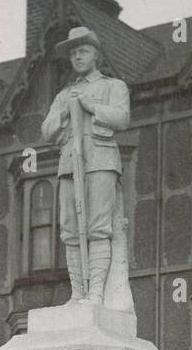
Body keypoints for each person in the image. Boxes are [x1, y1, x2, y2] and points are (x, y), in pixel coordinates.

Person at [41, 26, 132, 309]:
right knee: (70, 229)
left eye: (83, 51)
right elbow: (46, 131)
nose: (77, 57)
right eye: (73, 53)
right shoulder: (64, 94)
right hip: (69, 161)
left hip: (101, 158)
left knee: (97, 228)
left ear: (95, 54)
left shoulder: (113, 86)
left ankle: (96, 295)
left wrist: (91, 106)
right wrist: (66, 111)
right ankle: (78, 293)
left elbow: (122, 119)